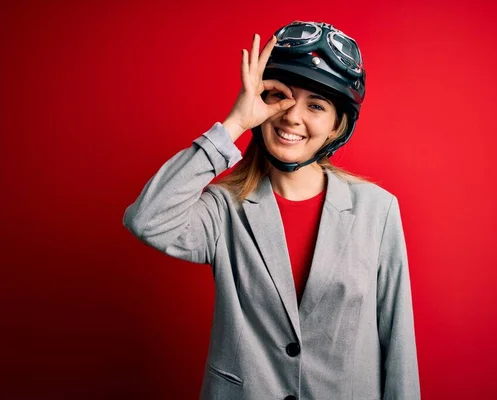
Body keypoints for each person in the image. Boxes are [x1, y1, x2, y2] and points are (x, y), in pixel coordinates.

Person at [123, 21, 420, 400]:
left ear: (335, 127)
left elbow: (397, 340)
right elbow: (147, 219)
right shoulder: (223, 210)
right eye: (280, 97)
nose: (292, 116)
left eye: (315, 105)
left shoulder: (377, 210)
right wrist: (235, 123)